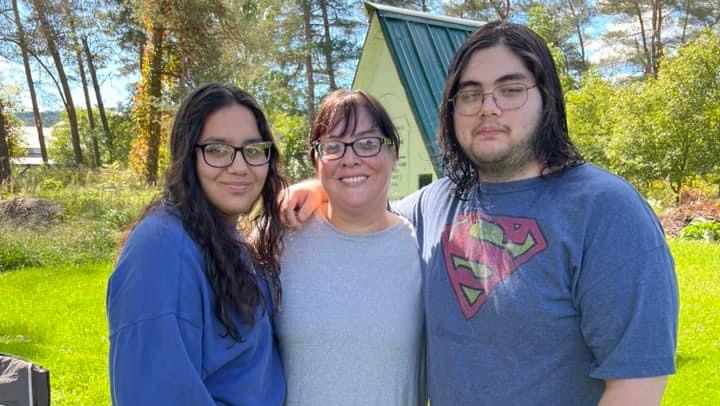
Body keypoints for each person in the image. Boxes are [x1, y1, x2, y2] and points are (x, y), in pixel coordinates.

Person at [282, 22, 678, 405]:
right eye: (470, 95)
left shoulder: (607, 211)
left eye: (510, 90)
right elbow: (366, 211)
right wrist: (319, 187)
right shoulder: (434, 204)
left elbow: (636, 386)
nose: (488, 108)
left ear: (547, 99)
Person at [107, 83, 287, 405]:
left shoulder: (224, 237)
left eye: (253, 150)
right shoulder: (161, 249)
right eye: (217, 150)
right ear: (187, 157)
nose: (239, 167)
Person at [274, 90, 425, 405]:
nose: (350, 158)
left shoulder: (420, 246)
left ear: (395, 154)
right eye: (333, 146)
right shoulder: (282, 240)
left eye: (368, 143)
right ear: (316, 162)